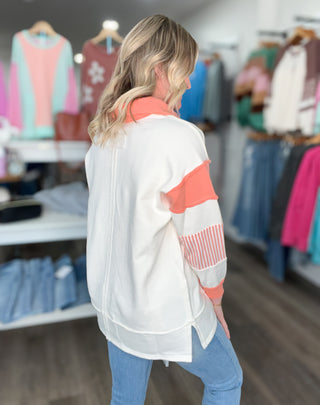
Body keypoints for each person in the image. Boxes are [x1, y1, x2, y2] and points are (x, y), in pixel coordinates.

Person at [85, 14, 243, 405]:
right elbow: (202, 232)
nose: (190, 83)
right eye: (185, 72)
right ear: (160, 69)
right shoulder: (178, 138)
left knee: (125, 396)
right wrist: (215, 297)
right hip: (164, 306)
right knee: (227, 380)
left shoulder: (103, 135)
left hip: (115, 304)